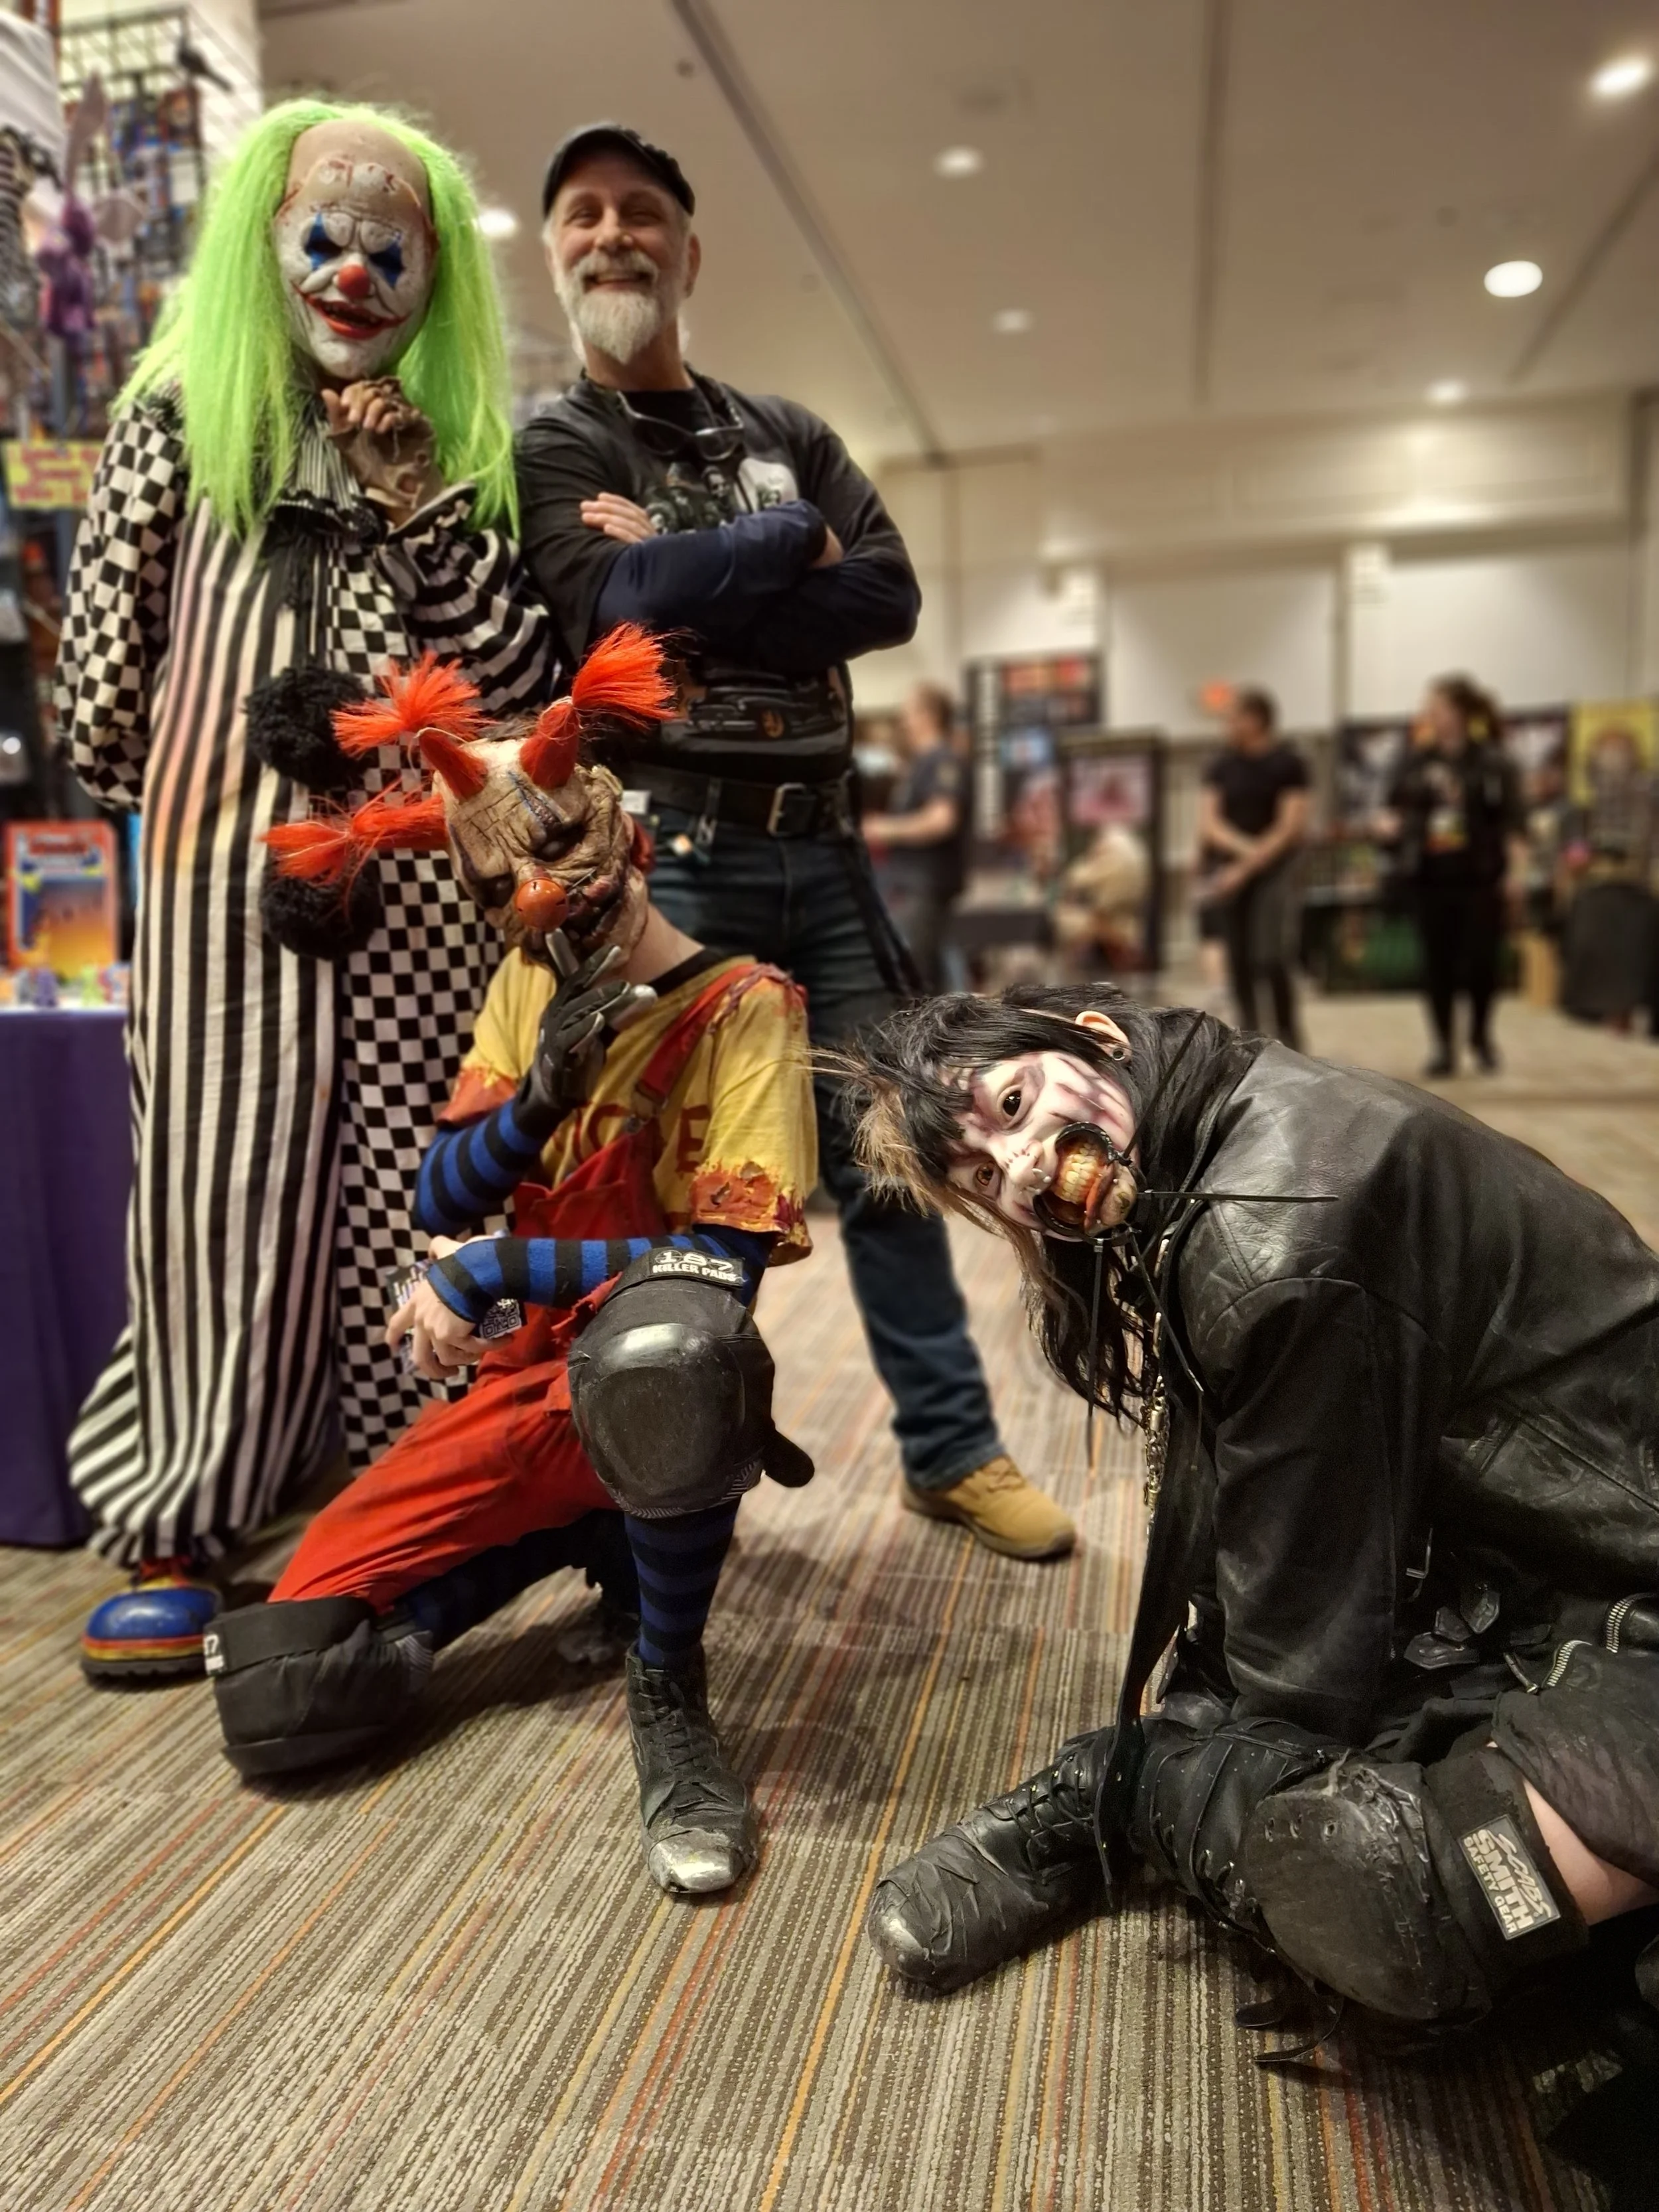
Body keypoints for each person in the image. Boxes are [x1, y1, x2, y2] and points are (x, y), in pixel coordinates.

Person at [835, 985, 1659, 2065]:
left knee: (1407, 1885)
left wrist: (1221, 1739)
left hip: (1604, 1577)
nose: (1026, 1162)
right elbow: (1273, 1536)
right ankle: (1152, 1777)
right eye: (986, 1173)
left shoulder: (1269, 1224)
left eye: (1015, 1100)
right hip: (1547, 1562)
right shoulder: (1223, 1153)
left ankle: (1131, 1784)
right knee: (1411, 1877)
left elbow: (1297, 1635)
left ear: (1099, 1040)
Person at [512, 121, 1072, 1562]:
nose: (611, 233)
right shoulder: (557, 441)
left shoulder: (789, 430)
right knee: (685, 1189)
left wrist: (696, 570)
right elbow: (611, 604)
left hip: (824, 858)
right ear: (555, 253)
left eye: (641, 212)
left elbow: (883, 602)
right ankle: (649, 1484)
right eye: (582, 215)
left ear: (688, 252)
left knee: (887, 1159)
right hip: (673, 868)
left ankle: (949, 1450)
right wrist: (783, 548)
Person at [60, 102, 552, 1680]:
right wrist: (221, 815)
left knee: (413, 1177)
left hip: (414, 897)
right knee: (214, 1185)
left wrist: (416, 510)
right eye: (322, 239)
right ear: (263, 240)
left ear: (434, 280)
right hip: (226, 895)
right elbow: (97, 701)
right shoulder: (178, 416)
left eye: (389, 249)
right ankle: (182, 1509)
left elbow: (522, 700)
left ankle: (393, 1479)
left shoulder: (455, 449)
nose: (351, 272)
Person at [209, 635, 818, 1897]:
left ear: (622, 831)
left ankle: (671, 1673)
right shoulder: (522, 982)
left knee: (677, 1355)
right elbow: (439, 1187)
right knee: (280, 1684)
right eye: (497, 879)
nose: (535, 895)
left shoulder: (749, 1005)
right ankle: (585, 1540)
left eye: (553, 851)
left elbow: (723, 1264)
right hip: (526, 1395)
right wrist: (536, 1101)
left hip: (645, 1367)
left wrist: (496, 1265)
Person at [1378, 674, 1525, 1077]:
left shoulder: (1494, 761)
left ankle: (1480, 1036)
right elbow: (1392, 807)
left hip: (1480, 877)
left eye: (1438, 708)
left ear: (1460, 713)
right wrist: (1388, 824)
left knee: (1481, 963)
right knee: (1436, 965)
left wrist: (1515, 873)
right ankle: (1443, 1044)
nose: (1431, 716)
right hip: (1429, 877)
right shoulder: (1415, 761)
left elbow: (1514, 823)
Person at [1195, 688, 1308, 1048]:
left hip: (1274, 871)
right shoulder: (1221, 766)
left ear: (1256, 719)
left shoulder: (1289, 764)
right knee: (1239, 957)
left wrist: (1248, 866)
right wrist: (1242, 855)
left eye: (1233, 717)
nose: (1226, 725)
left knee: (1271, 956)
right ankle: (1252, 1038)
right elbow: (1211, 823)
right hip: (1231, 870)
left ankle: (1290, 1038)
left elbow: (1291, 826)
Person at [861, 680, 970, 993]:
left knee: (913, 979)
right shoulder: (920, 764)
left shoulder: (942, 761)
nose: (903, 722)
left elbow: (942, 819)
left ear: (928, 715)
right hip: (909, 887)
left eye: (909, 713)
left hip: (922, 887)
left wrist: (883, 829)